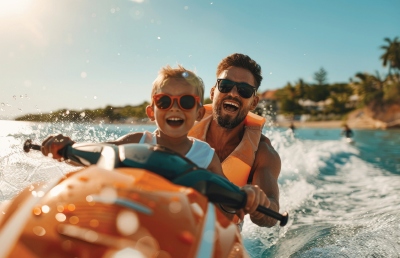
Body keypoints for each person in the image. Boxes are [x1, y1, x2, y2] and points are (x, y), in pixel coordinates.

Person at [41, 64, 269, 222]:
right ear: (152, 111)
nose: (175, 107)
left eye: (187, 101)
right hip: (130, 221)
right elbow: (93, 157)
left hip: (179, 232)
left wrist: (244, 198)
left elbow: (224, 209)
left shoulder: (206, 157)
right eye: (164, 101)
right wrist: (64, 149)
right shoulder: (135, 141)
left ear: (199, 113)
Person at [188, 53, 281, 227]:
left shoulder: (262, 152)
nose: (233, 94)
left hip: (223, 235)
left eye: (244, 90)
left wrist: (259, 203)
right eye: (225, 85)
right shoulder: (182, 129)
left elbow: (272, 214)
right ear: (213, 92)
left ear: (253, 103)